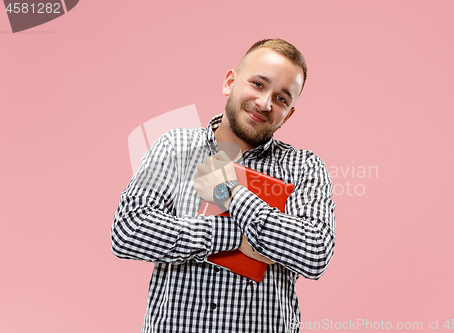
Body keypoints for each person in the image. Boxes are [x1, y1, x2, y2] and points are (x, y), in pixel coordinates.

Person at [111, 38, 336, 333]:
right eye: (258, 84)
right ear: (230, 82)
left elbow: (315, 252)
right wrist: (232, 237)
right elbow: (128, 230)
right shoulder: (174, 147)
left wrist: (231, 193)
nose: (265, 103)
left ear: (289, 114)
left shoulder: (304, 167)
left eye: (281, 98)